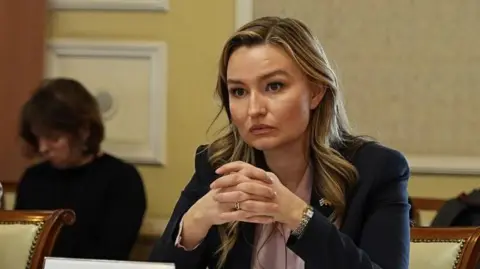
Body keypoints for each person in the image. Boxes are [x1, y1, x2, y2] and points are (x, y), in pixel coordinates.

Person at [149, 16, 410, 269]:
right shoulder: (217, 165)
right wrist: (196, 221)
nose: (254, 109)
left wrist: (296, 215)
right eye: (239, 91)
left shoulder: (377, 170)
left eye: (274, 86)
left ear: (316, 92)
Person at [15, 78, 147, 260]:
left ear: (84, 130)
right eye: (38, 137)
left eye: (54, 138)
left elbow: (111, 254)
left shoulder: (122, 180)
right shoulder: (33, 179)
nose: (43, 148)